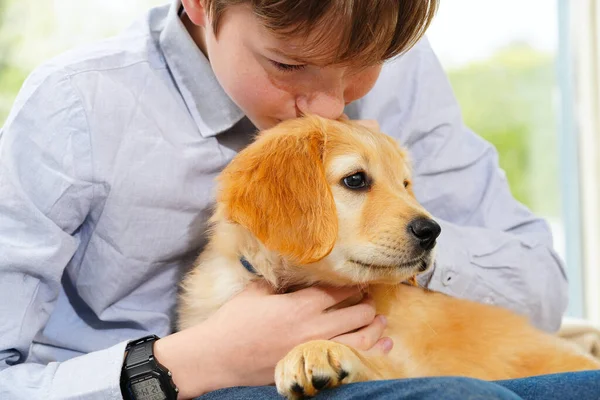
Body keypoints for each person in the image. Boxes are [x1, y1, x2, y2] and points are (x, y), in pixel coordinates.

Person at [1, 0, 593, 399]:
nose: (334, 107)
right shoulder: (75, 106)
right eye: (288, 65)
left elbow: (537, 285)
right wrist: (195, 361)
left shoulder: (394, 55)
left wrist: (392, 244)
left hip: (389, 356)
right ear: (201, 3)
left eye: (364, 68)